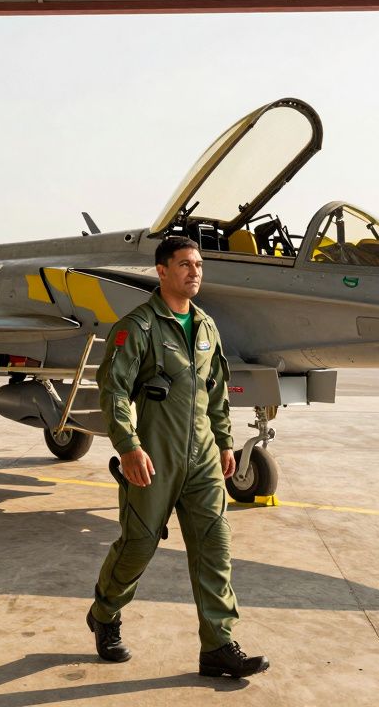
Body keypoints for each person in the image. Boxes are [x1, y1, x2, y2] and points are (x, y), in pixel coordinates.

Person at [87, 235, 268, 678]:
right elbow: (112, 390)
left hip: (203, 457)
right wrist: (128, 447)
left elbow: (217, 392)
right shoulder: (140, 325)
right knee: (140, 545)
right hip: (155, 456)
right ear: (162, 271)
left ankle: (219, 646)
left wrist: (225, 442)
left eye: (199, 265)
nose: (195, 272)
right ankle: (105, 613)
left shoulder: (206, 326)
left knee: (214, 547)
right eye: (185, 264)